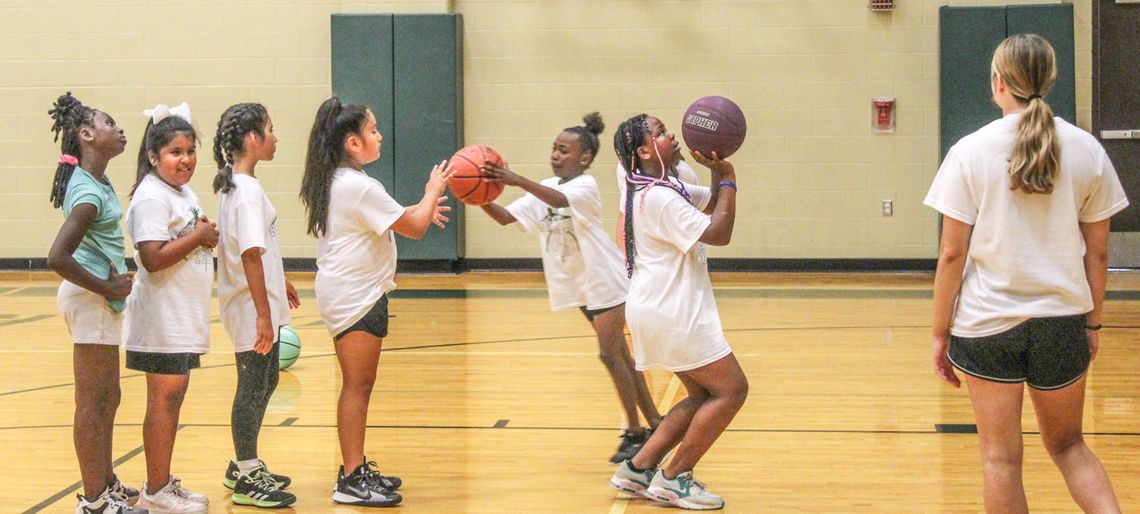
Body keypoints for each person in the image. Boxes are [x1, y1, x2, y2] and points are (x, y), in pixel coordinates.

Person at [925, 34, 1126, 513]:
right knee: (1071, 447)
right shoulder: (1087, 150)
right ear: (1049, 81)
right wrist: (1093, 322)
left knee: (1001, 460)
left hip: (987, 324)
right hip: (1062, 322)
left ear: (997, 82)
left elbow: (952, 254)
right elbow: (1098, 255)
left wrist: (938, 334)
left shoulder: (968, 151)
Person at [479, 112, 663, 463]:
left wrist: (515, 179)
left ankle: (634, 432)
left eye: (564, 150)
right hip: (582, 288)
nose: (556, 155)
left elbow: (558, 201)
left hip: (607, 281)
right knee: (622, 357)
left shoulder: (583, 187)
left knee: (610, 355)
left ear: (585, 158)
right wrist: (474, 193)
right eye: (554, 148)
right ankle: (654, 421)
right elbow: (506, 217)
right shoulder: (545, 188)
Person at [299, 96, 454, 508]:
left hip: (350, 289)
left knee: (358, 386)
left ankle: (355, 466)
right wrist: (431, 191)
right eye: (372, 130)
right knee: (357, 387)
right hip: (355, 295)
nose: (379, 135)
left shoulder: (339, 180)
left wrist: (418, 209)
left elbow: (387, 220)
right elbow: (416, 229)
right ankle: (350, 479)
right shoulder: (359, 185)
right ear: (352, 142)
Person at [607, 114, 748, 510]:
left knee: (703, 392)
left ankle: (638, 468)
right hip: (671, 311)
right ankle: (673, 478)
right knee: (732, 390)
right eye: (661, 133)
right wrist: (730, 174)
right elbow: (720, 232)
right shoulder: (661, 197)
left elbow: (716, 201)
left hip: (656, 307)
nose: (672, 135)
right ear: (642, 150)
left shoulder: (657, 186)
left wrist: (717, 171)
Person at [46, 93, 146, 514]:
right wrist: (107, 288)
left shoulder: (96, 180)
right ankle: (93, 501)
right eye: (110, 122)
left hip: (98, 296)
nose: (119, 129)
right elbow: (57, 257)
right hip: (89, 298)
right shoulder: (87, 193)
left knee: (110, 395)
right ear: (87, 135)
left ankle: (105, 482)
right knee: (92, 401)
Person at [124, 102, 217, 514]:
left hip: (183, 316)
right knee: (163, 400)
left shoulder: (182, 192)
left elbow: (188, 236)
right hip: (161, 318)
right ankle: (157, 491)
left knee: (173, 399)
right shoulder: (150, 196)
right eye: (175, 152)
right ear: (152, 157)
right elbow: (152, 257)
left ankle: (161, 483)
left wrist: (204, 236)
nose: (186, 160)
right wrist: (199, 237)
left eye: (190, 151)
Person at [212, 103, 299, 508]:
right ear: (252, 139)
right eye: (270, 128)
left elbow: (260, 250)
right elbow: (248, 255)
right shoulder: (246, 192)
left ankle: (244, 464)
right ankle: (246, 471)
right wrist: (264, 314)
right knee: (251, 387)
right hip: (250, 307)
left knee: (269, 380)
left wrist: (282, 280)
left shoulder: (242, 186)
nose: (275, 136)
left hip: (260, 299)